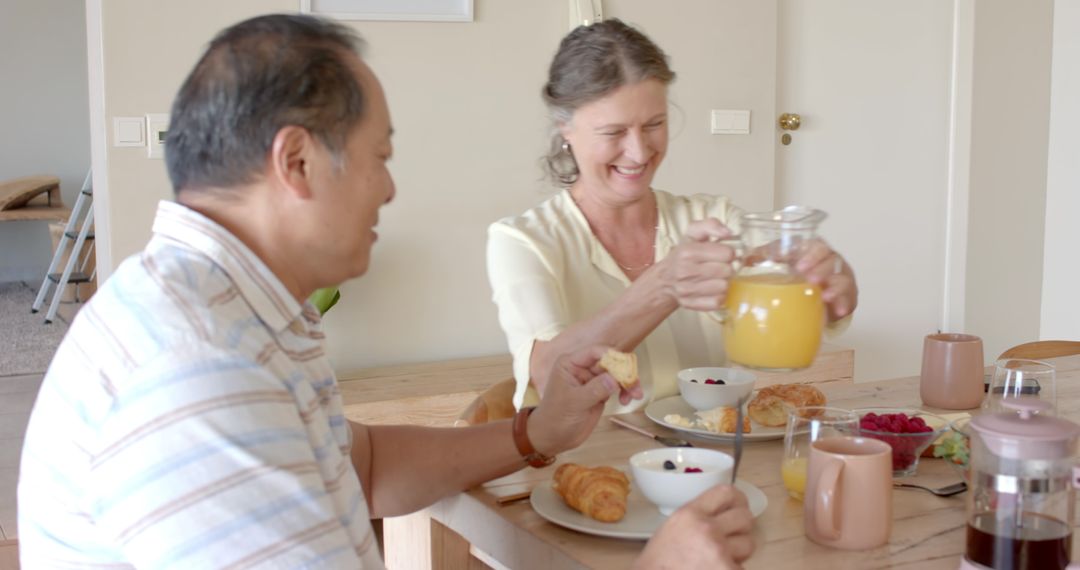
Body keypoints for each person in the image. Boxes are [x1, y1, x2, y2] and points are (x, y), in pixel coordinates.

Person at [17, 14, 754, 569]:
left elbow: (361, 468)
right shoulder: (196, 372)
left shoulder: (234, 309)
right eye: (381, 157)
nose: (392, 187)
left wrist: (536, 434)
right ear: (297, 161)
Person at [487, 19, 859, 413]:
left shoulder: (713, 218)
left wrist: (835, 285)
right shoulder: (524, 241)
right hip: (587, 463)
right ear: (566, 127)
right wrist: (664, 284)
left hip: (706, 463)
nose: (638, 151)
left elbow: (796, 303)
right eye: (614, 132)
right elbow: (548, 376)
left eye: (654, 125)